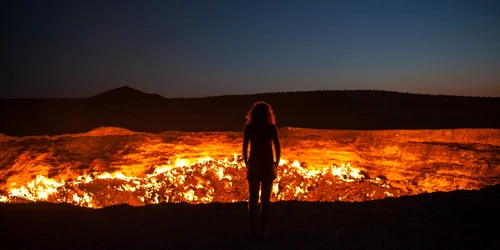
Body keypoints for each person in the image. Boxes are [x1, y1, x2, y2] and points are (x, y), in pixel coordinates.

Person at [242, 101, 281, 238]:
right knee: (265, 200)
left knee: (252, 200)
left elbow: (244, 148)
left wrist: (247, 163)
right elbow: (277, 147)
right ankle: (263, 231)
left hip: (254, 165)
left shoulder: (249, 128)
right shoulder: (271, 128)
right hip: (267, 165)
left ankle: (252, 230)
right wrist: (276, 164)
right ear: (268, 114)